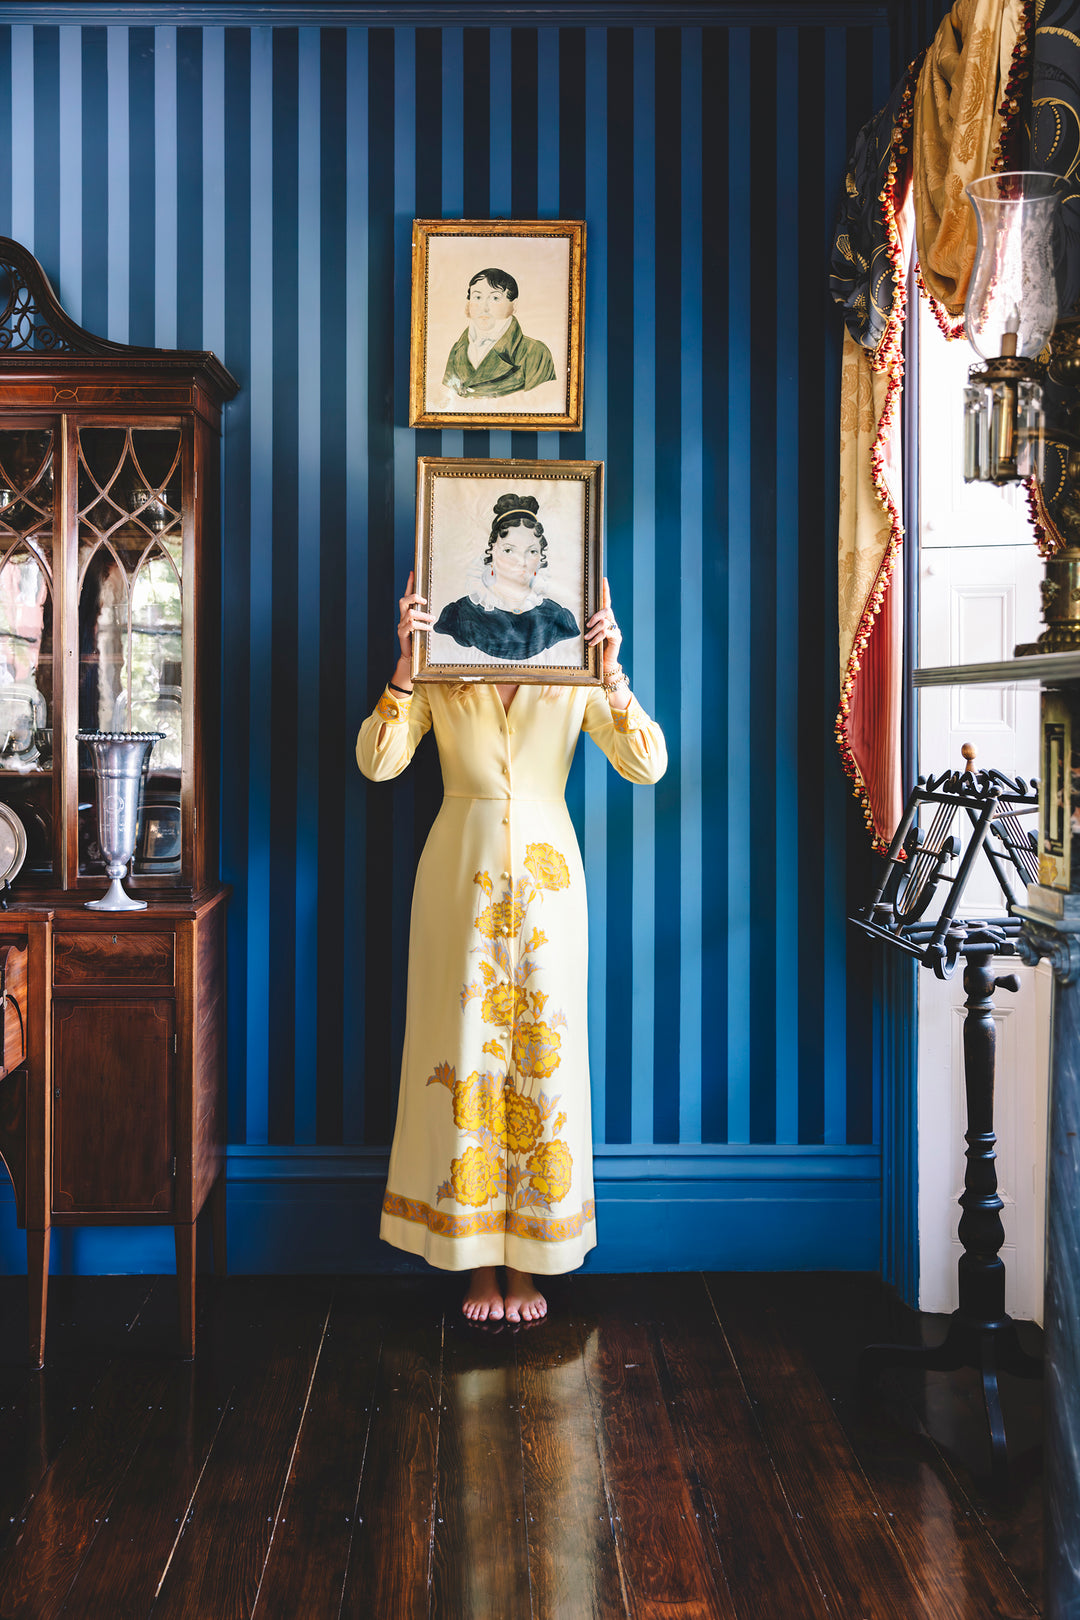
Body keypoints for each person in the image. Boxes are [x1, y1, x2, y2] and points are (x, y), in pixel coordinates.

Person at [356, 570, 666, 1324]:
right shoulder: (444, 654)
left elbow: (647, 762)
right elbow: (378, 760)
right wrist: (404, 664)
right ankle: (476, 1262)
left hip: (548, 880)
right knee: (464, 1052)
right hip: (456, 876)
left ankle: (531, 1260)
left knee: (539, 1053)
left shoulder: (572, 661)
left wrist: (611, 666)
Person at [433, 492, 580, 659]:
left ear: (540, 557)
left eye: (531, 551)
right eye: (509, 550)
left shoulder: (556, 618)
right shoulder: (459, 615)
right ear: (492, 552)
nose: (520, 561)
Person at [442, 269, 557, 400]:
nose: (484, 307)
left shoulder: (535, 352)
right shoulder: (458, 350)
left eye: (495, 298)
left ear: (514, 305)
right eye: (477, 297)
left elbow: (542, 405)